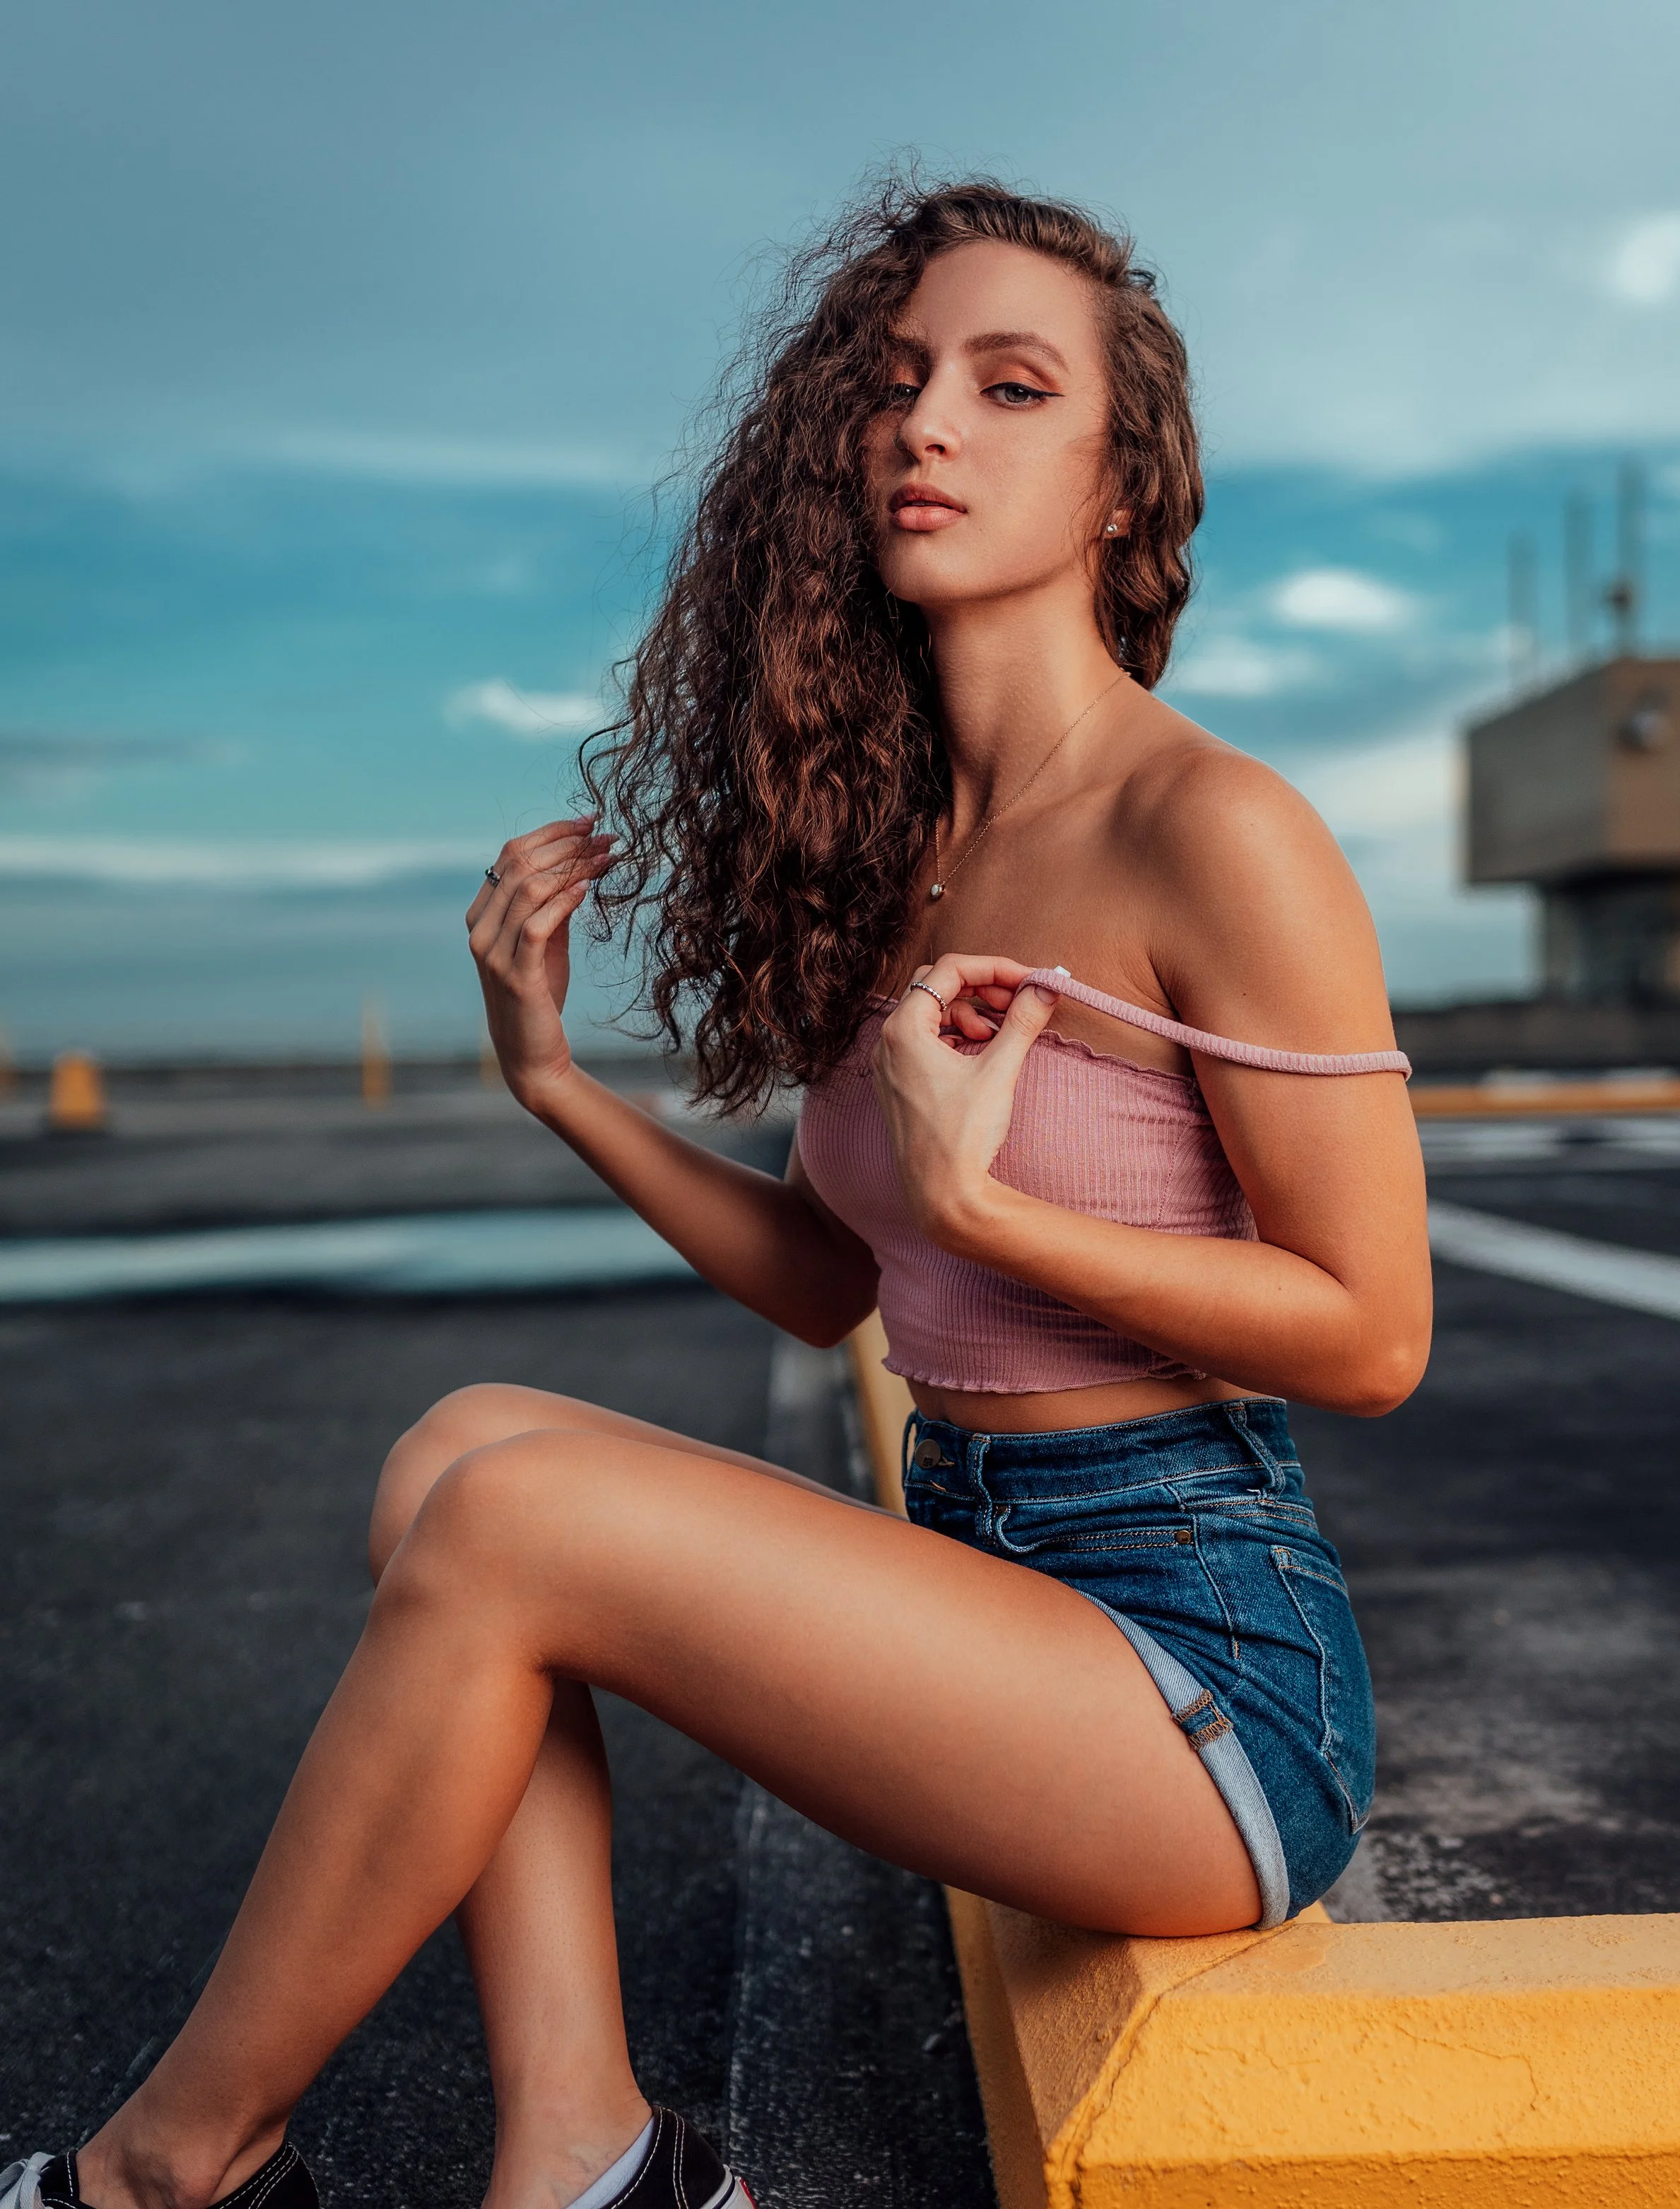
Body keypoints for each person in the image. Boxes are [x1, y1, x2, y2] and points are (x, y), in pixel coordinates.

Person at [5, 177, 1430, 2209]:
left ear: (1122, 489)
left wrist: (1000, 1212)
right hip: (993, 1580)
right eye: (896, 377)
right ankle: (581, 2153)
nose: (924, 422)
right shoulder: (912, 851)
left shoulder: (1214, 828)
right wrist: (551, 1077)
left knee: (511, 1516)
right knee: (452, 1455)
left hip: (1200, 1681)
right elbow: (828, 1279)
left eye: (1011, 387)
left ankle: (169, 2170)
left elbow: (1375, 1335)